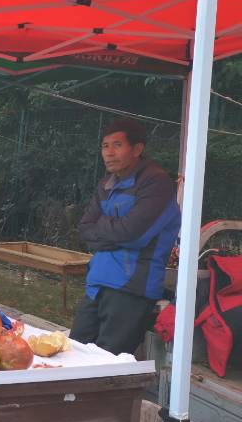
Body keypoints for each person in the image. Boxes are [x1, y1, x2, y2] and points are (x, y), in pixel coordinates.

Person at [70, 118, 181, 355]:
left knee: (108, 364)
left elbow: (133, 234)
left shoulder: (157, 183)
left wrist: (104, 226)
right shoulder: (106, 183)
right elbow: (85, 229)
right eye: (105, 146)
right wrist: (115, 230)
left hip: (131, 287)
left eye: (117, 145)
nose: (109, 153)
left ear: (137, 149)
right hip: (96, 282)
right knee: (73, 354)